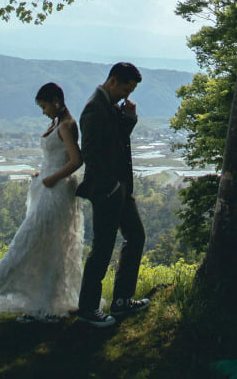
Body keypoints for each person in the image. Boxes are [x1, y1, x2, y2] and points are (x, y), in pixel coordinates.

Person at [0, 82, 84, 323]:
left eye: (44, 106)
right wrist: (42, 175)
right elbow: (58, 159)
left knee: (26, 243)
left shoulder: (66, 125)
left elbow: (75, 161)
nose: (43, 111)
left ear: (56, 101)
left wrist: (50, 178)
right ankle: (46, 305)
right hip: (49, 188)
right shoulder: (58, 124)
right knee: (46, 248)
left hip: (56, 191)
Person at [75, 61, 149, 327]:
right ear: (113, 81)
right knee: (103, 248)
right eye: (125, 90)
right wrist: (112, 187)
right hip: (107, 190)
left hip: (119, 188)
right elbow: (92, 155)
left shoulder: (109, 106)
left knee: (136, 236)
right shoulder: (95, 108)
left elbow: (117, 141)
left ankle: (121, 301)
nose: (126, 96)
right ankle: (87, 309)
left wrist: (129, 118)